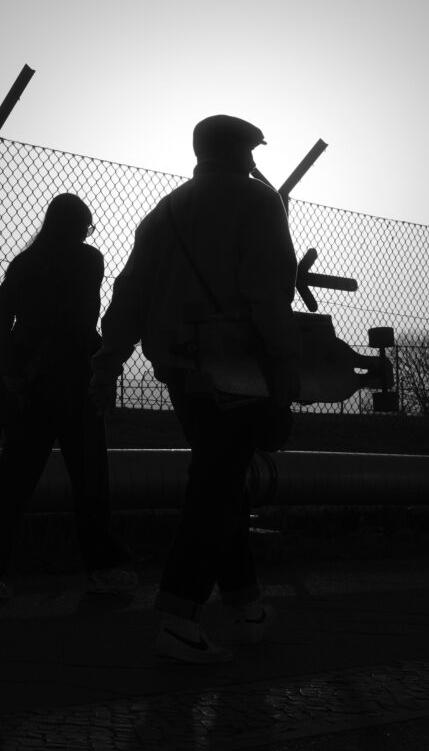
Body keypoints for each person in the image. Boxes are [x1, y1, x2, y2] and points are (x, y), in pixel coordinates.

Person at [89, 115, 300, 663]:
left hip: (181, 371)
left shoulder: (164, 212)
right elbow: (269, 292)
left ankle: (246, 607)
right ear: (240, 153)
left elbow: (130, 293)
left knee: (220, 478)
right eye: (251, 151)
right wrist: (284, 363)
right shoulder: (258, 201)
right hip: (239, 366)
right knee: (216, 486)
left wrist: (108, 363)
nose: (254, 160)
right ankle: (178, 618)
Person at [0, 193, 138, 600]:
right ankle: (103, 566)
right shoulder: (88, 260)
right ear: (80, 227)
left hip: (28, 381)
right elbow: (81, 320)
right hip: (73, 377)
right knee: (89, 475)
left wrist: (9, 370)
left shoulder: (25, 263)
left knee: (14, 473)